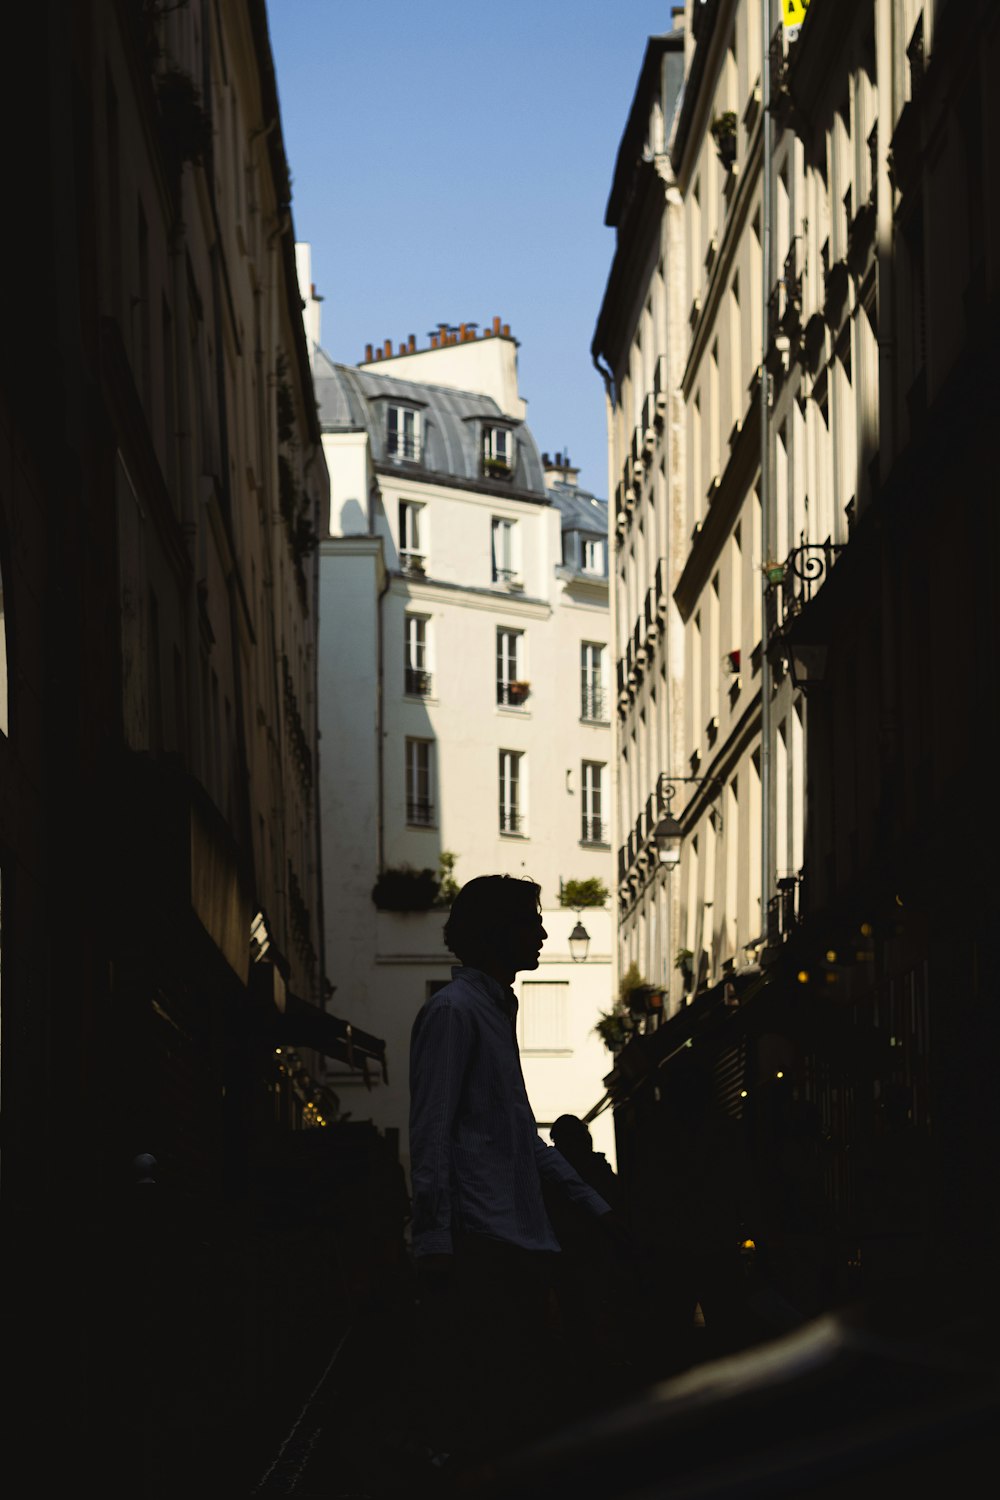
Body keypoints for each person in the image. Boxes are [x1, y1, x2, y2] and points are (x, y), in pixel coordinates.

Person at [408, 874, 621, 1476]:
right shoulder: (454, 1014)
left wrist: (597, 1209)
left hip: (514, 1240)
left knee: (519, 1411)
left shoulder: (491, 1012)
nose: (544, 931)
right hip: (486, 1244)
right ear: (497, 932)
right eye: (531, 920)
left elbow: (519, 1138)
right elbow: (432, 1134)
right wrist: (435, 1243)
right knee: (502, 1416)